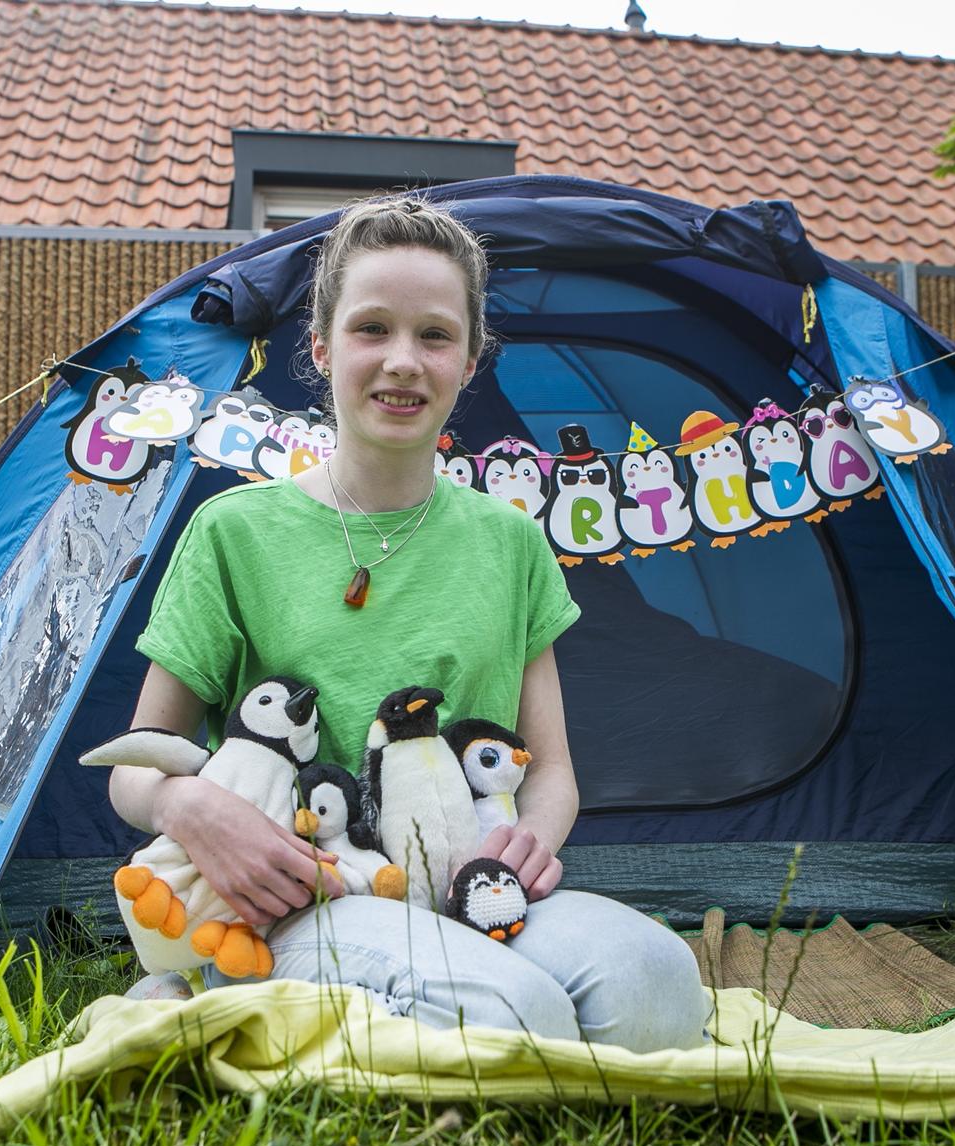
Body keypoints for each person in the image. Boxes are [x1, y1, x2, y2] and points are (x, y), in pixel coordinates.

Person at [107, 196, 708, 1052]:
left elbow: (555, 768)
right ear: (319, 348)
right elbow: (134, 766)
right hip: (305, 903)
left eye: (434, 335)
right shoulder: (234, 531)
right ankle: (208, 982)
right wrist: (192, 803)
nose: (402, 361)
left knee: (659, 987)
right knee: (513, 1015)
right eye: (371, 329)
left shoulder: (510, 542)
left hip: (471, 892)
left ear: (469, 361)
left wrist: (529, 842)